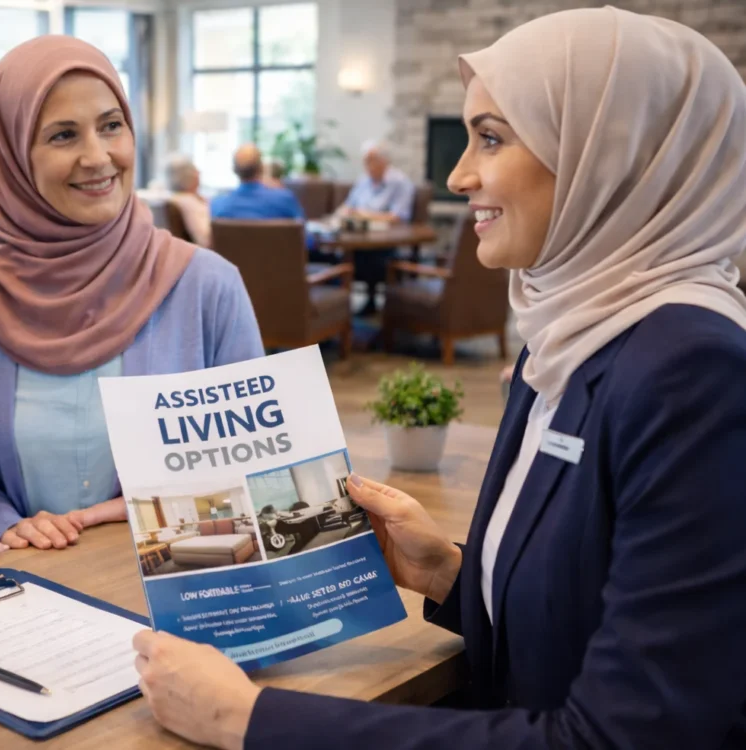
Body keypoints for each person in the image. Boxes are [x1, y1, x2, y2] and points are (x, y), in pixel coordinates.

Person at [131, 8, 746, 748]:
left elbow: (621, 738)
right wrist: (449, 575)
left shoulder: (697, 375)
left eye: (490, 136)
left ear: (607, 150)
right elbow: (587, 612)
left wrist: (247, 719)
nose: (458, 174)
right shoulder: (570, 337)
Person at [0, 36, 263, 559]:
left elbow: (264, 467)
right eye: (63, 135)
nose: (98, 158)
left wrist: (161, 510)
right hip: (29, 597)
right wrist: (0, 527)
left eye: (111, 125)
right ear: (10, 156)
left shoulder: (206, 285)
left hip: (191, 594)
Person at [334, 140, 417, 316]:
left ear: (384, 161)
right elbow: (347, 207)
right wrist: (342, 213)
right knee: (333, 257)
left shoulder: (400, 182)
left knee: (363, 261)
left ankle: (370, 308)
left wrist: (362, 214)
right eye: (366, 160)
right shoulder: (363, 181)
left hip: (386, 246)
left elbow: (398, 217)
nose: (367, 165)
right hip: (356, 240)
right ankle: (337, 314)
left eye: (372, 160)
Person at [210, 144, 305, 222]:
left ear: (234, 170)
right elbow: (304, 239)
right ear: (261, 168)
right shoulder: (284, 199)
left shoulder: (218, 205)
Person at [163, 153, 212, 248]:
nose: (199, 175)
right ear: (190, 177)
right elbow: (205, 240)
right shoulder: (189, 203)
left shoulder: (175, 198)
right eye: (196, 172)